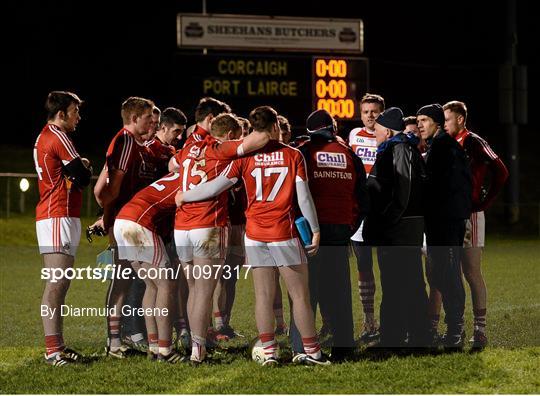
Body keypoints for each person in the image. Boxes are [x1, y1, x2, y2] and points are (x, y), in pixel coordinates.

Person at [177, 106, 330, 366]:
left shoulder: (244, 158)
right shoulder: (292, 155)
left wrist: (185, 196)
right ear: (274, 128)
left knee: (263, 295)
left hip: (255, 234)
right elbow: (303, 196)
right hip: (283, 232)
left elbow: (216, 186)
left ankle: (269, 351)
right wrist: (315, 230)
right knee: (300, 295)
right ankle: (312, 352)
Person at [170, 113, 270, 363]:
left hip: (181, 225)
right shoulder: (220, 148)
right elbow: (258, 140)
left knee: (194, 290)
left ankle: (194, 343)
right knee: (204, 292)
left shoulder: (190, 147)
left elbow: (171, 166)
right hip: (207, 224)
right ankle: (198, 350)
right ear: (229, 136)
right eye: (237, 136)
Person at [288, 109, 367, 361]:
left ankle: (301, 347)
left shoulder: (303, 151)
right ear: (332, 128)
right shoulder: (348, 154)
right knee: (340, 291)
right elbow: (361, 196)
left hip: (309, 231)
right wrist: (349, 227)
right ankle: (344, 347)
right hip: (340, 229)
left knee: (304, 291)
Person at [442, 100, 508, 349]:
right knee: (448, 272)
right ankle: (451, 327)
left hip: (470, 215)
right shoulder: (446, 143)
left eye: (447, 119)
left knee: (471, 271)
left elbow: (501, 171)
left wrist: (485, 202)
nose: (444, 123)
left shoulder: (473, 141)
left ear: (460, 119)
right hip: (450, 216)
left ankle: (480, 330)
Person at [363, 107, 430, 348]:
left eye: (378, 131)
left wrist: (390, 218)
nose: (376, 135)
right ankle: (417, 336)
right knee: (409, 282)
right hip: (404, 225)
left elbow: (404, 186)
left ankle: (393, 338)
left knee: (396, 284)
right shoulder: (401, 146)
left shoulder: (398, 148)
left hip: (399, 228)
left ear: (389, 131)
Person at [34, 91, 92, 366]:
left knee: (60, 282)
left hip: (61, 214)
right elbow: (82, 175)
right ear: (62, 114)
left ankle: (57, 346)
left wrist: (79, 171)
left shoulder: (49, 135)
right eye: (75, 111)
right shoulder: (58, 135)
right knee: (56, 283)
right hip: (56, 214)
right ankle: (52, 351)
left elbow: (77, 174)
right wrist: (82, 169)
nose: (79, 117)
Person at [95, 96, 156, 358]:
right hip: (125, 221)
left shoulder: (129, 141)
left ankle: (120, 338)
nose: (151, 121)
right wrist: (108, 215)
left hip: (128, 220)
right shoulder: (126, 140)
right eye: (147, 117)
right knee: (123, 280)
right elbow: (109, 188)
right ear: (133, 118)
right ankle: (115, 340)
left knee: (128, 280)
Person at [417, 103, 472, 351]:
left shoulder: (444, 147)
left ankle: (455, 330)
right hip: (442, 221)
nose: (420, 125)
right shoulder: (439, 146)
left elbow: (446, 187)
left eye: (425, 120)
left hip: (447, 222)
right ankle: (452, 328)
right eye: (418, 120)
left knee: (448, 274)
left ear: (437, 122)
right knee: (440, 274)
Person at [113, 171, 182, 363]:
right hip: (138, 222)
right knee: (166, 283)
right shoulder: (189, 178)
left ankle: (153, 346)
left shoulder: (176, 173)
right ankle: (165, 349)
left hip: (123, 220)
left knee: (151, 285)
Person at [348, 93, 385, 342]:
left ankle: (393, 319)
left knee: (389, 267)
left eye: (374, 111)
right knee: (363, 266)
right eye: (366, 112)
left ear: (382, 112)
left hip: (384, 210)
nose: (370, 116)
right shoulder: (354, 135)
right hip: (361, 210)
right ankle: (369, 320)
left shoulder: (390, 134)